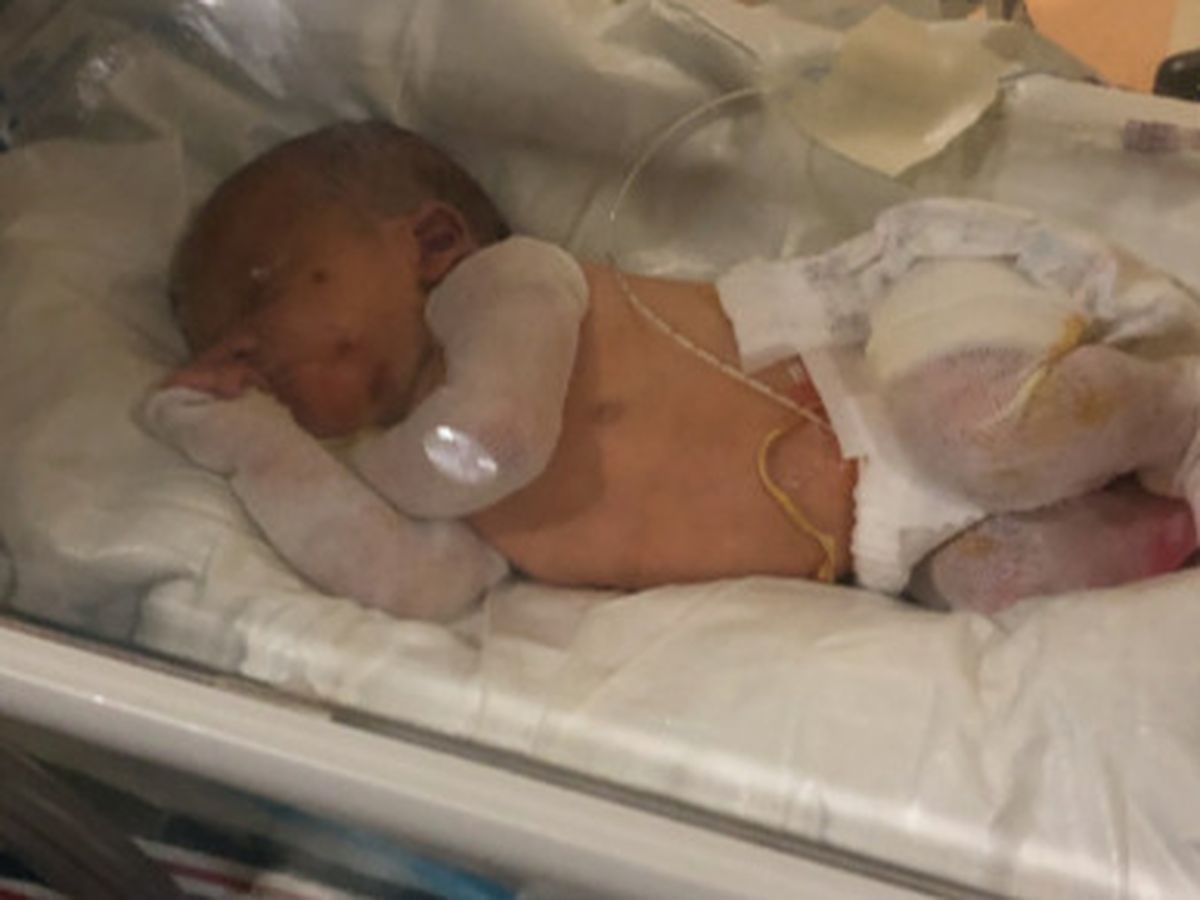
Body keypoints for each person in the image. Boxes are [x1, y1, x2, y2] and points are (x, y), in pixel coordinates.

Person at [141, 120, 1199, 620]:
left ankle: (1178, 411)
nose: (246, 344)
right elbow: (412, 583)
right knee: (1006, 584)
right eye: (224, 343)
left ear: (428, 241)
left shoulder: (507, 288)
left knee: (981, 432)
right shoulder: (416, 470)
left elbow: (493, 441)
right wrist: (250, 443)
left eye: (266, 286)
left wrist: (362, 476)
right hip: (883, 531)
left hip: (884, 363)